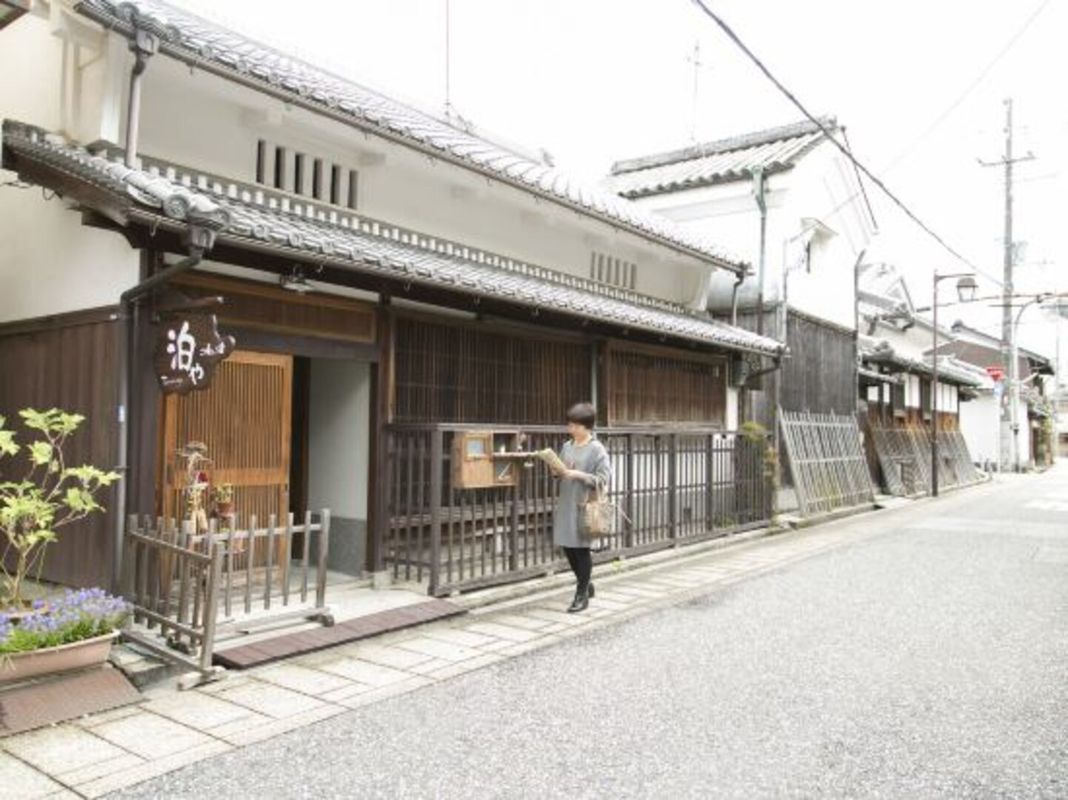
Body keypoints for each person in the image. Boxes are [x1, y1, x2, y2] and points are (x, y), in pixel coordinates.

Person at [553, 402, 611, 613]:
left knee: (581, 548)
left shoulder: (597, 449)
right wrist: (557, 470)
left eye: (575, 426)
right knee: (568, 547)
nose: (571, 429)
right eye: (570, 425)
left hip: (585, 503)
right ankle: (586, 583)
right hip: (566, 501)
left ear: (587, 427)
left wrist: (578, 474)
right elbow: (561, 470)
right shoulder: (567, 446)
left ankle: (581, 594)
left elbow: (603, 479)